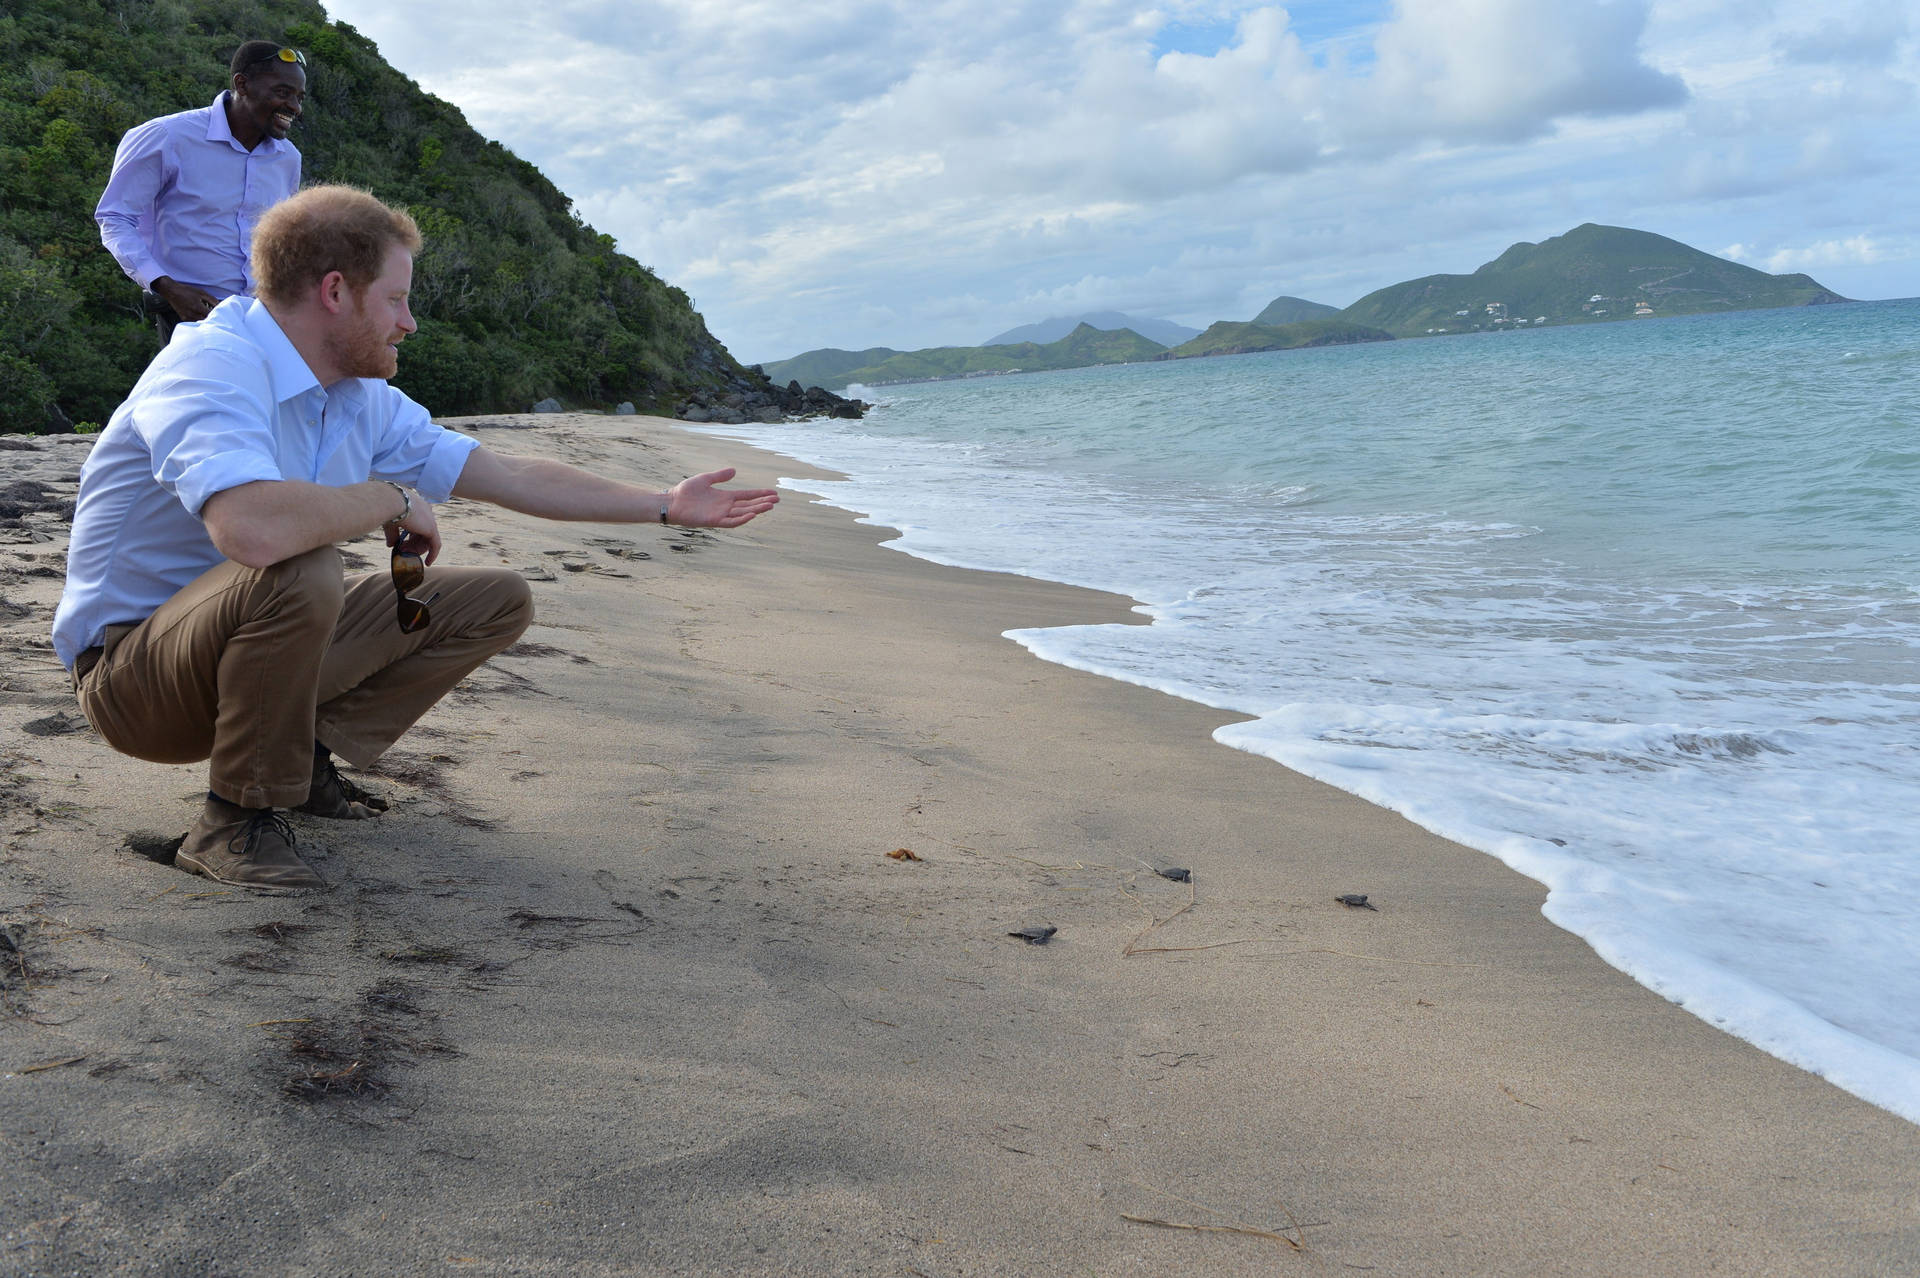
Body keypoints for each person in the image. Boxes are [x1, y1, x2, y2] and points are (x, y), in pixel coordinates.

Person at [51, 185, 779, 891]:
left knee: (495, 599)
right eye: (396, 299)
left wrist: (663, 504)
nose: (410, 322)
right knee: (296, 567)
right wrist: (389, 497)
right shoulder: (210, 365)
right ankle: (233, 820)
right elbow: (253, 528)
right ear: (335, 292)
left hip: (241, 650)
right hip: (132, 677)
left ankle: (298, 762)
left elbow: (509, 473)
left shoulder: (356, 393)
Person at [95, 40, 308, 345]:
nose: (295, 108)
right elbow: (114, 218)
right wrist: (167, 287)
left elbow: (281, 239)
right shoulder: (166, 137)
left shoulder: (288, 158)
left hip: (263, 322)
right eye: (283, 93)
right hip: (189, 320)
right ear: (242, 84)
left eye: (299, 98)